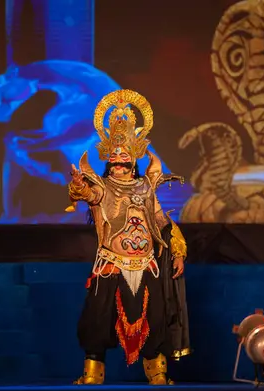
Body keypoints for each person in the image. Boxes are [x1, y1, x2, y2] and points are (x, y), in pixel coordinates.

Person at [66, 89, 191, 385]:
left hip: (146, 264)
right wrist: (78, 186)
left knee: (155, 319)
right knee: (97, 321)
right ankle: (92, 374)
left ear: (133, 161)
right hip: (111, 265)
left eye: (125, 160)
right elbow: (84, 193)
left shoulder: (145, 187)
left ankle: (157, 373)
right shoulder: (101, 187)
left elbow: (162, 220)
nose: (120, 164)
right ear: (108, 161)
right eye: (115, 160)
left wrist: (178, 251)